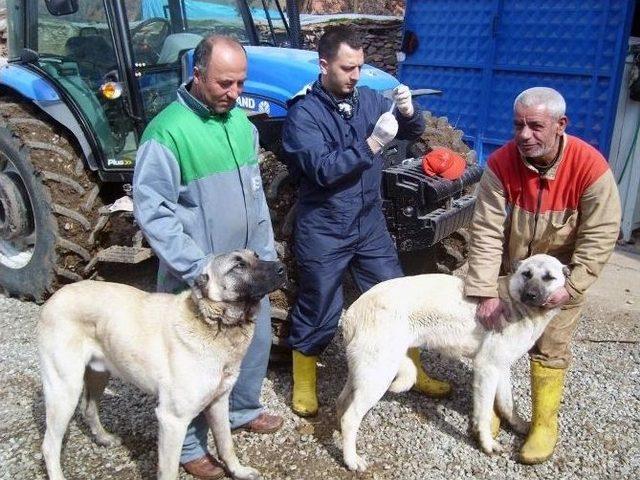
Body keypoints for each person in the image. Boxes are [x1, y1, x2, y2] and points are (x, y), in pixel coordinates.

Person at [133, 35, 283, 480]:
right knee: (190, 365)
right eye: (224, 83)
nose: (234, 93)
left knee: (253, 341)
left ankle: (241, 411)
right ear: (197, 75)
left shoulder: (241, 125)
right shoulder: (167, 132)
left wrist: (266, 252)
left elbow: (255, 199)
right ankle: (190, 447)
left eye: (240, 83)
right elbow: (154, 212)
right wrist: (197, 268)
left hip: (246, 270)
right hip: (198, 275)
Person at [282, 25, 451, 418]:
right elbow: (322, 170)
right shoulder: (303, 114)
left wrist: (409, 115)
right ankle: (305, 380)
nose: (355, 75)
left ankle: (413, 369)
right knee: (320, 303)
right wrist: (371, 145)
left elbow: (410, 133)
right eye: (347, 68)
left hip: (368, 222)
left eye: (360, 66)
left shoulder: (370, 100)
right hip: (324, 225)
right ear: (324, 65)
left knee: (396, 299)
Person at [464, 87, 621, 464]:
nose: (523, 135)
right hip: (514, 274)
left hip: (560, 280)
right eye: (518, 125)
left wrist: (574, 284)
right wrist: (486, 289)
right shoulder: (501, 163)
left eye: (535, 126)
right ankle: (496, 408)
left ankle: (543, 423)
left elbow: (601, 232)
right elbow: (485, 230)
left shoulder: (589, 166)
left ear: (560, 125)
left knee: (550, 346)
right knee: (497, 335)